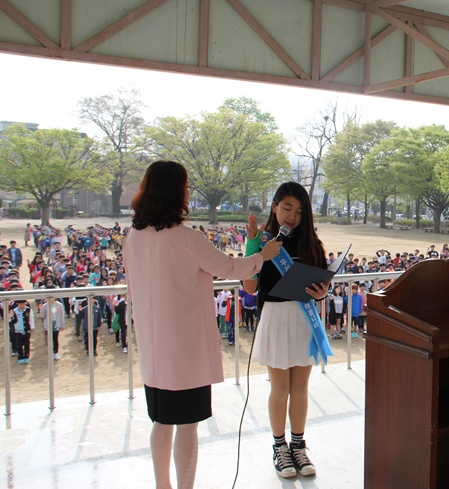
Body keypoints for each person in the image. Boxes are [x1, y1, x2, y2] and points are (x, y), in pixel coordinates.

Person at [123, 160, 281, 489]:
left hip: (154, 347)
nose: (188, 192)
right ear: (176, 192)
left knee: (162, 422)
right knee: (188, 426)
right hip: (185, 349)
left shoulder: (132, 237)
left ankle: (162, 485)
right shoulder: (187, 238)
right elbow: (231, 268)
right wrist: (263, 255)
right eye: (187, 186)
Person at [242, 181, 330, 479]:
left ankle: (298, 445)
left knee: (301, 388)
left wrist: (320, 293)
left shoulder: (312, 244)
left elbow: (321, 284)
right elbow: (250, 287)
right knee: (280, 389)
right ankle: (280, 448)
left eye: (299, 211)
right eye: (287, 208)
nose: (292, 216)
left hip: (303, 316)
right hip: (276, 317)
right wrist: (254, 246)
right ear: (274, 207)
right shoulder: (265, 242)